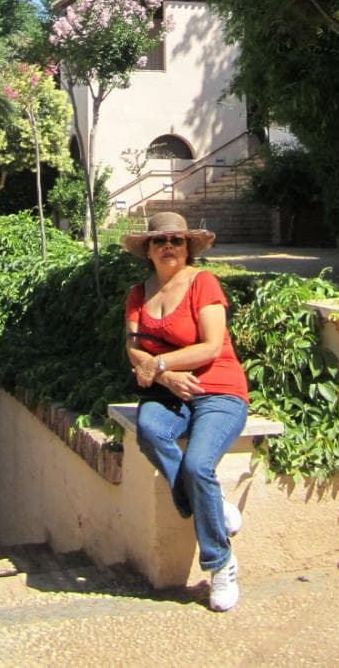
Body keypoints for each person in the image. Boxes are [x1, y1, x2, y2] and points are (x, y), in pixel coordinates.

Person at [122, 210, 249, 612]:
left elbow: (212, 346)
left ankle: (220, 562)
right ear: (148, 249)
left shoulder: (203, 283)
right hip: (170, 392)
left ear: (188, 247)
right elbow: (133, 349)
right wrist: (164, 378)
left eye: (176, 241)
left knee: (197, 466)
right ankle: (212, 507)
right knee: (150, 430)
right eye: (159, 241)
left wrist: (160, 366)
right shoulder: (138, 294)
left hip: (219, 390)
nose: (168, 247)